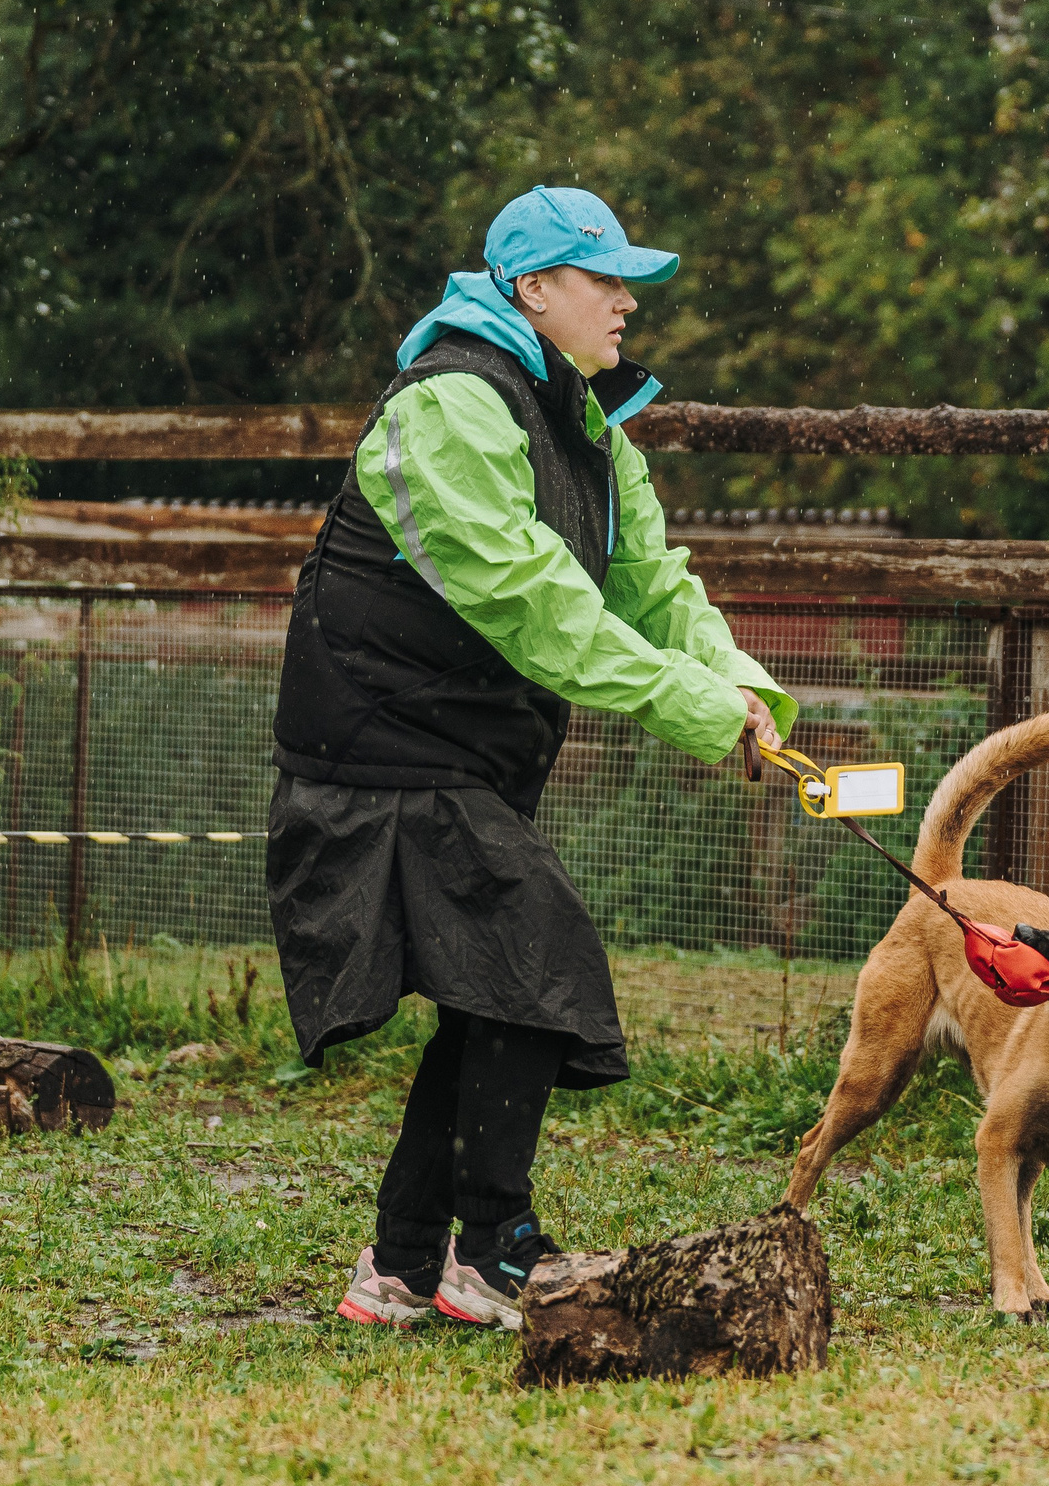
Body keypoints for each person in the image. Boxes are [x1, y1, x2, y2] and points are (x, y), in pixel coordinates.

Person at [267, 185, 793, 1331]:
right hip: (376, 748)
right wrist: (692, 708)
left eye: (628, 281)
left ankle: (406, 1267)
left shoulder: (589, 428)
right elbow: (536, 608)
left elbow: (654, 585)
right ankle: (493, 1250)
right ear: (529, 288)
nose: (625, 303)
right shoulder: (452, 404)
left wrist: (740, 685)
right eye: (600, 279)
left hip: (455, 753)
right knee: (534, 965)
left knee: (494, 991)